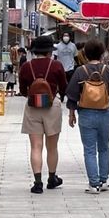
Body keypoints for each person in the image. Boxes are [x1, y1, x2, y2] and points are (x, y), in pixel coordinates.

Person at [66, 39, 109, 193]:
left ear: (85, 53)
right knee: (104, 147)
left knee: (90, 149)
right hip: (106, 113)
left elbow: (72, 94)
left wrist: (71, 114)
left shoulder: (80, 71)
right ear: (102, 53)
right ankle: (104, 180)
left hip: (86, 113)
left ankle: (94, 183)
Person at [18, 35, 68, 194]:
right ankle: (52, 178)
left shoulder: (26, 66)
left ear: (34, 51)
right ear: (49, 52)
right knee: (52, 147)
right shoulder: (57, 65)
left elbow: (22, 90)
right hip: (52, 106)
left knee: (36, 146)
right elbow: (64, 87)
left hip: (33, 107)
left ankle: (37, 182)